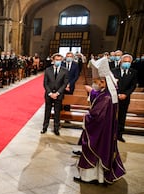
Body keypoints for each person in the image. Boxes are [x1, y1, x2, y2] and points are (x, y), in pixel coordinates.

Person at [74, 57, 125, 185]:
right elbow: (97, 100)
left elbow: (97, 116)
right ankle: (99, 177)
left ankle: (90, 177)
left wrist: (87, 117)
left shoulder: (107, 97)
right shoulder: (107, 93)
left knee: (94, 150)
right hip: (104, 131)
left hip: (100, 131)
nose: (95, 84)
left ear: (103, 82)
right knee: (100, 151)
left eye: (96, 81)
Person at [111, 54, 138, 142]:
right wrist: (117, 94)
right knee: (112, 115)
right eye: (125, 61)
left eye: (128, 62)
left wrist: (126, 94)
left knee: (122, 116)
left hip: (125, 98)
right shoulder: (114, 71)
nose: (126, 63)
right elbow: (111, 84)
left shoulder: (133, 72)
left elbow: (133, 86)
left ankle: (119, 134)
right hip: (114, 97)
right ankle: (110, 133)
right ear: (121, 62)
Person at [41, 53, 68, 136]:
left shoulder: (65, 70)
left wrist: (57, 93)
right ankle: (45, 127)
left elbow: (64, 83)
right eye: (56, 60)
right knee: (47, 111)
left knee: (57, 112)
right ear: (53, 60)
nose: (58, 61)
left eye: (59, 60)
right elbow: (45, 83)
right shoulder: (48, 70)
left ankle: (56, 128)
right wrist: (50, 93)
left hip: (58, 94)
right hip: (49, 94)